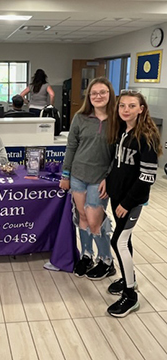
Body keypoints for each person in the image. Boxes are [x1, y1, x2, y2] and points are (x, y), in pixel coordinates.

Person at [105, 90, 161, 317]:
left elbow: (148, 177)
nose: (125, 110)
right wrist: (107, 183)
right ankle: (130, 279)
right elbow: (118, 166)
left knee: (118, 241)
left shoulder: (146, 136)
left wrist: (127, 203)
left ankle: (131, 296)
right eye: (121, 106)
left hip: (133, 201)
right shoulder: (121, 131)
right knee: (123, 240)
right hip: (118, 196)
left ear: (142, 109)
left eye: (131, 106)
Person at [59, 77, 116, 280]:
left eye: (102, 92)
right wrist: (66, 174)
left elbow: (118, 155)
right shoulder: (80, 117)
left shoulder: (117, 120)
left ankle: (107, 260)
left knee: (95, 221)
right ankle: (86, 255)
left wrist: (109, 177)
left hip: (100, 179)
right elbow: (71, 146)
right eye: (94, 93)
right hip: (78, 176)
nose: (98, 96)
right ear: (89, 96)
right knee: (82, 217)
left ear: (110, 94)